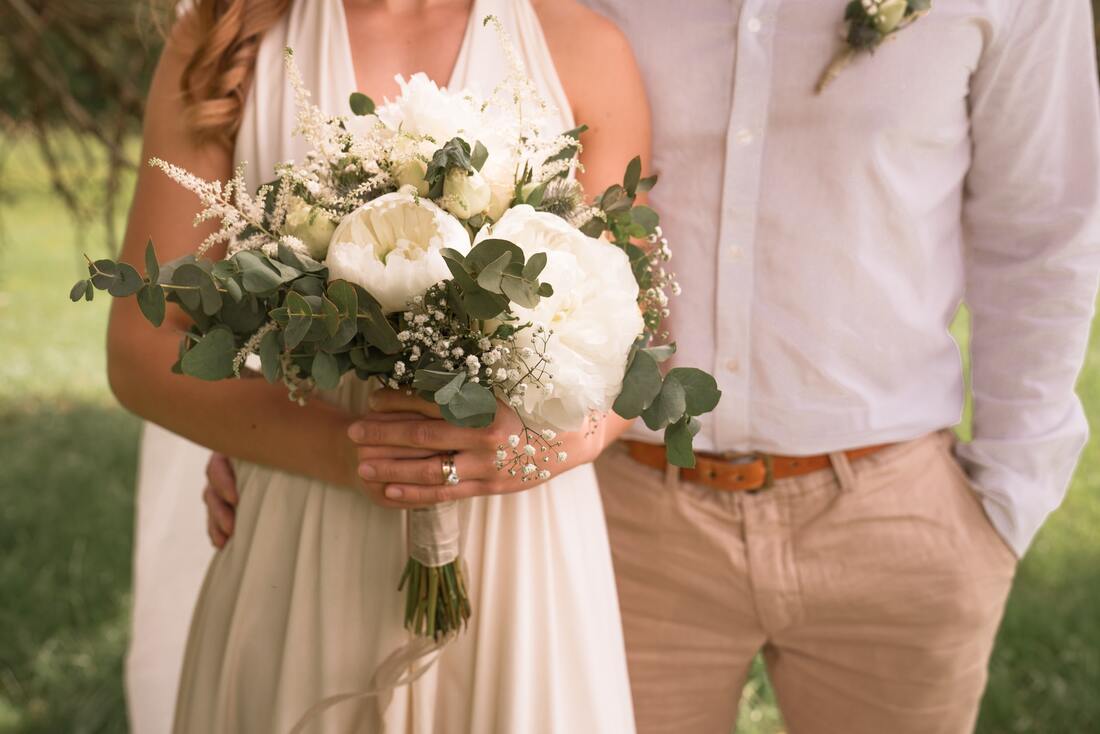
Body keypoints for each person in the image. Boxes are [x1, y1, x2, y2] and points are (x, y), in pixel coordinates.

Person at [208, 0, 1100, 731]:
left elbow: (1044, 231)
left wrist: (1005, 500)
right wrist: (301, 406)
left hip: (894, 518)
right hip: (618, 511)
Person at [112, 0, 647, 731]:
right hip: (304, 534)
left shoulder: (583, 47)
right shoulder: (225, 40)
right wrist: (345, 450)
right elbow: (142, 351)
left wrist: (533, 451)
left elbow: (632, 342)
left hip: (523, 544)